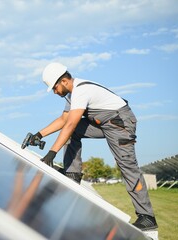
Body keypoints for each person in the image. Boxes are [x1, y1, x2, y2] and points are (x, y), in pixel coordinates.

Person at [27, 62, 158, 231]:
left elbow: (70, 124)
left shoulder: (81, 91)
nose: (54, 92)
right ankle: (73, 173)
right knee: (72, 131)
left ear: (64, 82)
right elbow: (64, 120)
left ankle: (147, 216)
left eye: (54, 88)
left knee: (127, 167)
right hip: (103, 123)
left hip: (120, 123)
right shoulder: (72, 95)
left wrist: (52, 153)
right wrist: (39, 135)